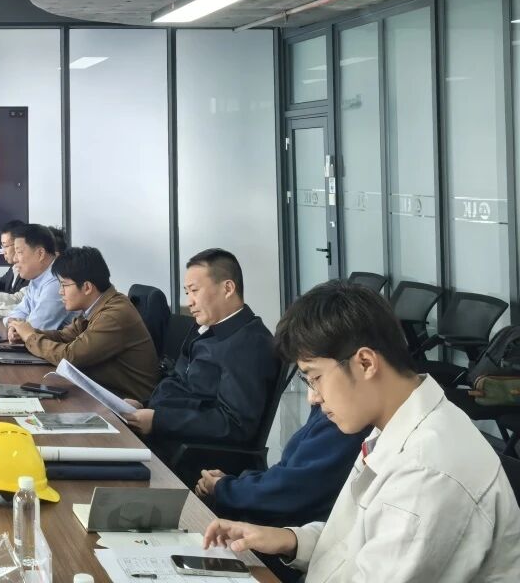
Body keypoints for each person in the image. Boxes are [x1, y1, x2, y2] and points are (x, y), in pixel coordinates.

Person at [203, 281, 520, 582]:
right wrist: (289, 539)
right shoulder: (397, 425)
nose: (313, 397)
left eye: (315, 377)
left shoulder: (427, 471)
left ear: (366, 362)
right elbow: (358, 539)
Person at [124, 249, 279, 479]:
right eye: (187, 292)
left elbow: (233, 424)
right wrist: (143, 406)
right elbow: (182, 386)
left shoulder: (248, 343)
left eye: (195, 291)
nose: (190, 302)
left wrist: (159, 420)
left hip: (189, 456)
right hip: (164, 439)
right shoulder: (207, 329)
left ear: (228, 288)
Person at [8, 246, 160, 404]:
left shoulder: (114, 315)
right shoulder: (98, 306)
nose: (60, 291)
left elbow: (70, 357)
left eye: (64, 285)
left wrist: (31, 337)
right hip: (102, 391)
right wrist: (27, 333)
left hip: (126, 404)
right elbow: (64, 336)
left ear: (87, 287)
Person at [196, 404, 365, 527]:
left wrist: (226, 488)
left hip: (280, 529)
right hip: (284, 528)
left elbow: (290, 490)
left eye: (317, 377)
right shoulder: (329, 410)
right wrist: (231, 484)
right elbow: (288, 472)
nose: (313, 397)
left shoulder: (343, 421)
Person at [4, 223, 74, 335]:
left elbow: (34, 328)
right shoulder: (38, 277)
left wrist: (16, 327)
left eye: (19, 252)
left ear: (40, 254)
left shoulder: (58, 280)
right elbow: (19, 311)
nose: (14, 258)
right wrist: (12, 324)